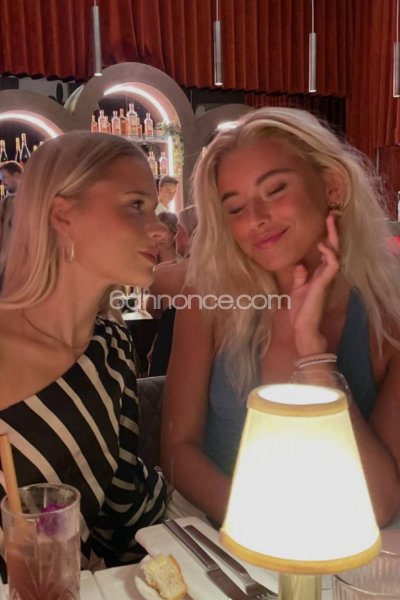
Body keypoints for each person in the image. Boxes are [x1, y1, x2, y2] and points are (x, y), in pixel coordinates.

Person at [161, 107, 400, 528]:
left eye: (274, 190)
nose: (256, 219)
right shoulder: (208, 300)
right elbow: (178, 453)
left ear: (332, 185)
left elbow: (379, 505)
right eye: (235, 208)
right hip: (225, 536)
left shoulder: (388, 312)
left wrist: (315, 357)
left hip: (349, 540)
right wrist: (263, 527)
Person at [0, 131, 167, 572]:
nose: (160, 229)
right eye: (136, 204)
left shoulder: (111, 345)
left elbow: (123, 505)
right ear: (63, 215)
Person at [147, 205, 197, 376]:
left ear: (192, 233)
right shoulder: (231, 273)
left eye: (178, 230)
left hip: (170, 357)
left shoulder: (161, 275)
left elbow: (154, 313)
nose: (175, 236)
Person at [0, 161, 23, 282]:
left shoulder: (35, 200)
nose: (3, 182)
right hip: (8, 268)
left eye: (4, 177)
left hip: (20, 269)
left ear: (17, 176)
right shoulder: (6, 203)